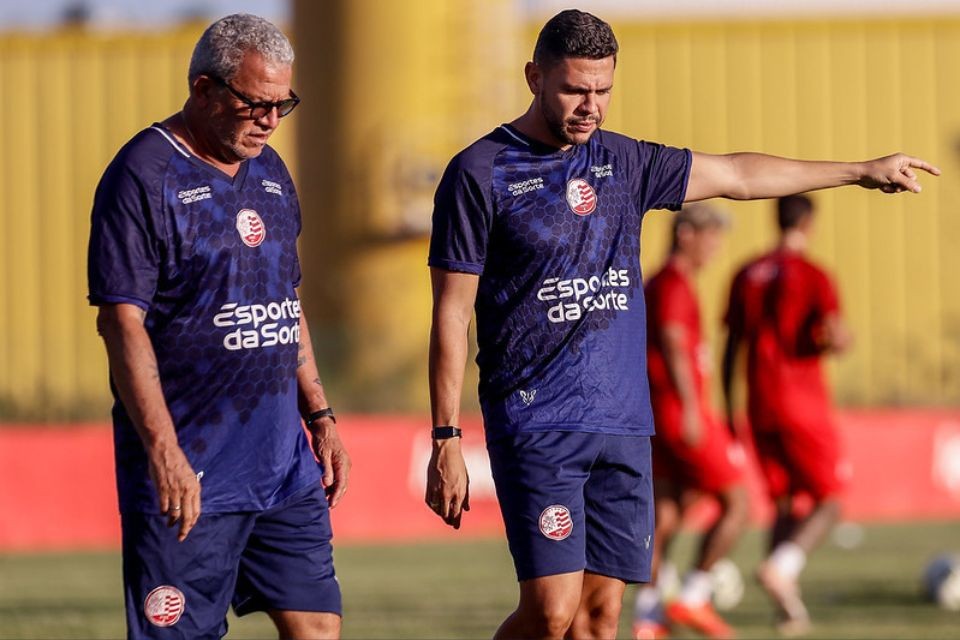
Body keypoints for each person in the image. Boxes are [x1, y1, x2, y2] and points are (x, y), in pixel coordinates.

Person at [424, 9, 936, 640]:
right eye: (574, 89)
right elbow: (451, 312)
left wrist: (858, 170)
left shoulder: (628, 163)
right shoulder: (480, 172)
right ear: (534, 76)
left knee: (601, 617)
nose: (590, 106)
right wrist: (445, 435)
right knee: (552, 614)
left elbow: (740, 175)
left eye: (603, 90)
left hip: (623, 422)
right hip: (537, 421)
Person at [87, 14, 350, 640]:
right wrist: (164, 452)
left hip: (282, 462)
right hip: (192, 469)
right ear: (204, 90)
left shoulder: (273, 174)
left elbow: (285, 301)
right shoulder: (142, 177)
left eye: (282, 104)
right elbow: (122, 325)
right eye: (255, 104)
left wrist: (319, 415)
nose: (270, 120)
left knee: (317, 627)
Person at [722, 194, 852, 635]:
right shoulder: (814, 275)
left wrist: (729, 407)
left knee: (783, 503)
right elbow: (832, 336)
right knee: (830, 500)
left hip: (758, 402)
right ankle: (781, 568)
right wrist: (841, 341)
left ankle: (788, 610)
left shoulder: (745, 273)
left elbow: (730, 347)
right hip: (802, 401)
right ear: (809, 223)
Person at [633, 204, 747, 640]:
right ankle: (695, 597)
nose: (716, 246)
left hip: (659, 413)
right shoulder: (674, 284)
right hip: (683, 414)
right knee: (738, 504)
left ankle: (648, 618)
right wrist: (694, 409)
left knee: (664, 515)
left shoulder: (663, 283)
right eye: (711, 235)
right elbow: (675, 347)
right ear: (685, 235)